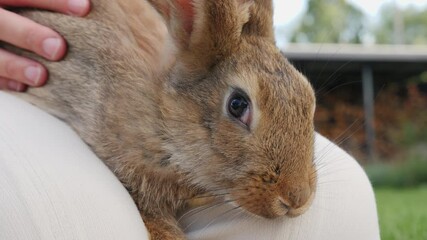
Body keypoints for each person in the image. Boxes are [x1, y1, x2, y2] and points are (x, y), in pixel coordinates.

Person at [0, 1, 380, 239]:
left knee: (341, 206)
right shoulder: (124, 117)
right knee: (66, 222)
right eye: (239, 108)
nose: (298, 192)